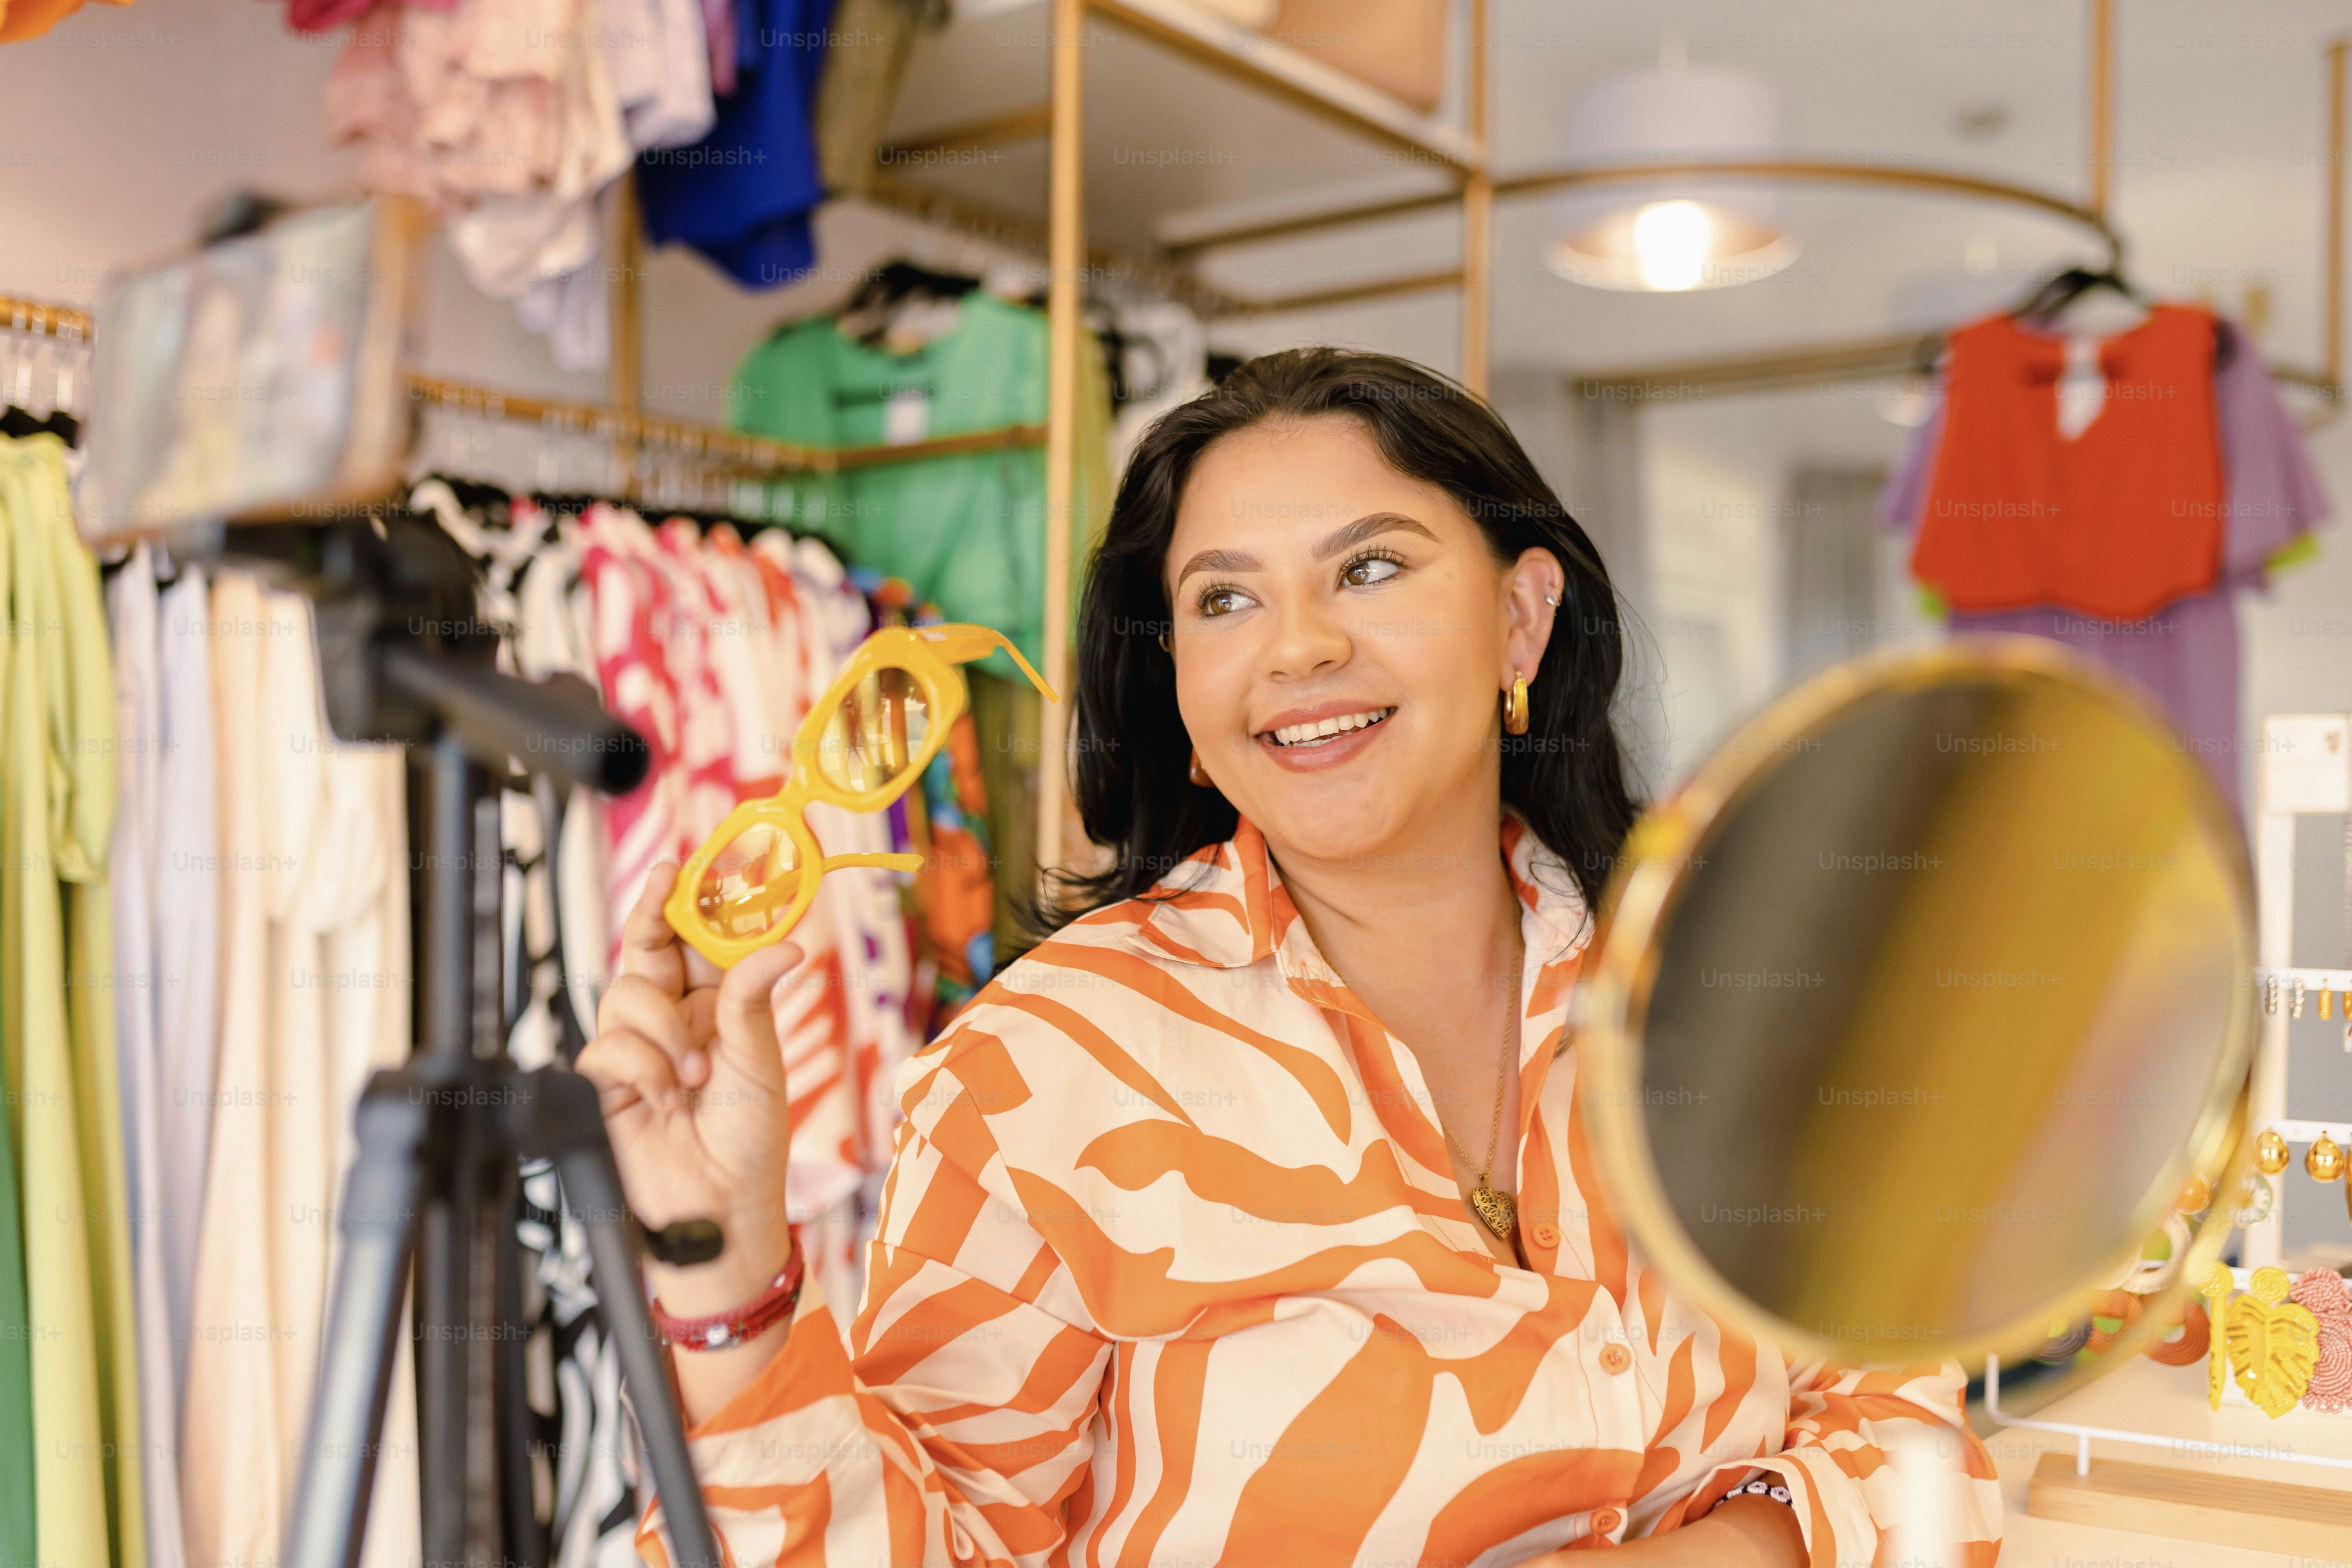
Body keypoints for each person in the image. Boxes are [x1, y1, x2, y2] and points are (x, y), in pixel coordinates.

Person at [581, 349, 2003, 1566]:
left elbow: (1908, 1407)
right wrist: (727, 1284)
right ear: (1180, 684)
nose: (1297, 649)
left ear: (1521, 617)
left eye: (1369, 567)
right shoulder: (1048, 1067)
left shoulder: (1723, 982)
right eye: (1224, 598)